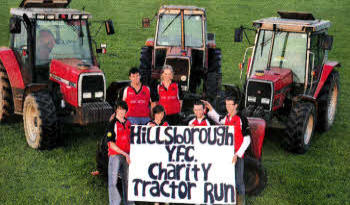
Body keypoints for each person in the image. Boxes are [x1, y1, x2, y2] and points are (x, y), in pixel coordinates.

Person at [202, 97, 251, 205]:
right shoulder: (227, 118)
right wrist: (209, 107)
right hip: (227, 154)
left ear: (236, 105)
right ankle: (229, 200)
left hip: (237, 155)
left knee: (238, 181)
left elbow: (247, 139)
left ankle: (241, 202)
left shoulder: (241, 119)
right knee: (227, 179)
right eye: (226, 104)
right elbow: (218, 119)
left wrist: (237, 154)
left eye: (230, 105)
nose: (228, 107)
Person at [106, 101, 135, 205]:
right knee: (113, 182)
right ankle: (114, 203)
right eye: (119, 109)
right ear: (116, 110)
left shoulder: (128, 123)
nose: (121, 111)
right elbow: (110, 143)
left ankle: (129, 203)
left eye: (123, 109)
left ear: (126, 111)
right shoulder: (112, 123)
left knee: (128, 181)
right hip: (116, 155)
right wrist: (124, 153)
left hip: (127, 156)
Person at [147, 105, 169, 205]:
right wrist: (149, 129)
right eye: (158, 113)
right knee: (155, 177)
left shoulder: (166, 124)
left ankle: (165, 197)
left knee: (165, 176)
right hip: (153, 155)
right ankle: (156, 200)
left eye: (162, 113)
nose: (160, 115)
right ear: (154, 114)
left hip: (164, 154)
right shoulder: (149, 124)